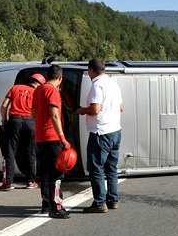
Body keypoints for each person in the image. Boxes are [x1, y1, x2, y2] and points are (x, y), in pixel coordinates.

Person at [77, 58, 124, 213]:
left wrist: (82, 110)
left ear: (91, 70)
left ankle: (99, 203)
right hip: (115, 130)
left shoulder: (97, 86)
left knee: (96, 167)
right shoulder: (113, 84)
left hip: (100, 132)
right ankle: (113, 199)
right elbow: (121, 107)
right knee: (111, 167)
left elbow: (95, 110)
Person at [32, 64, 71, 219]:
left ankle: (46, 204)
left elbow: (33, 112)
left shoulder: (38, 90)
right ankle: (57, 207)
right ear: (60, 78)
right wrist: (63, 138)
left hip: (40, 137)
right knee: (56, 174)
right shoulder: (53, 91)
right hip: (52, 137)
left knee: (46, 173)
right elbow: (54, 115)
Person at [0, 73, 45, 191]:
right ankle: (30, 181)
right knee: (30, 152)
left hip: (14, 120)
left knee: (10, 152)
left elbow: (4, 106)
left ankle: (8, 182)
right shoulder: (37, 93)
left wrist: (4, 120)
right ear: (39, 84)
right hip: (30, 122)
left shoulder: (15, 88)